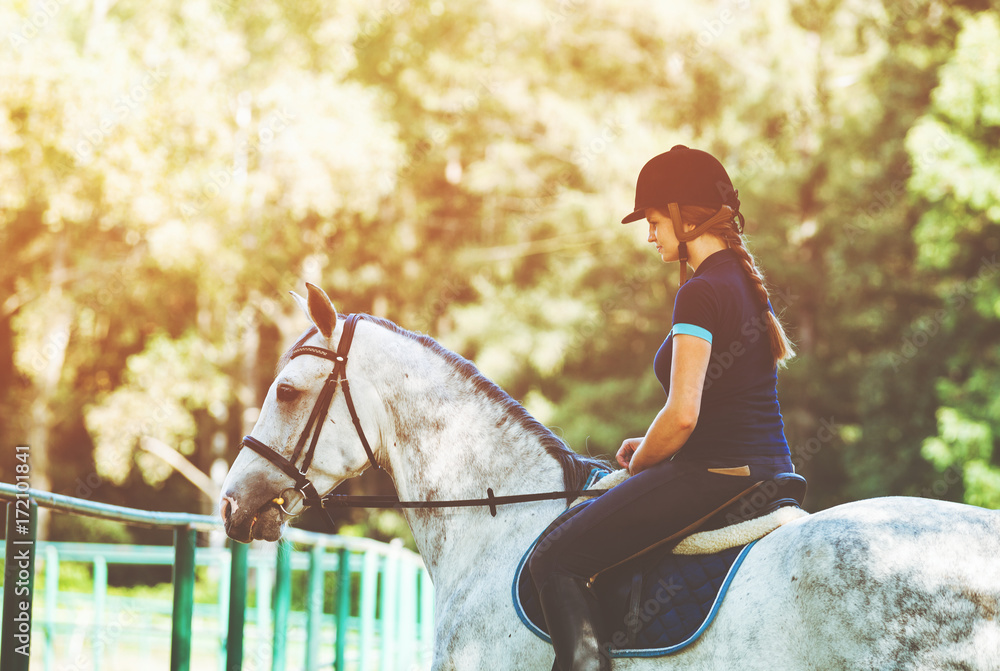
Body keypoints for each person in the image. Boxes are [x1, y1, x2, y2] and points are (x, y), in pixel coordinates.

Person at [527, 145, 798, 671]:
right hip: (768, 466)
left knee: (555, 560)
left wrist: (644, 460)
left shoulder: (698, 294)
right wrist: (648, 445)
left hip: (719, 475)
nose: (650, 235)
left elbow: (682, 415)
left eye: (653, 221)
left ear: (683, 216)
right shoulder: (741, 282)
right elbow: (712, 407)